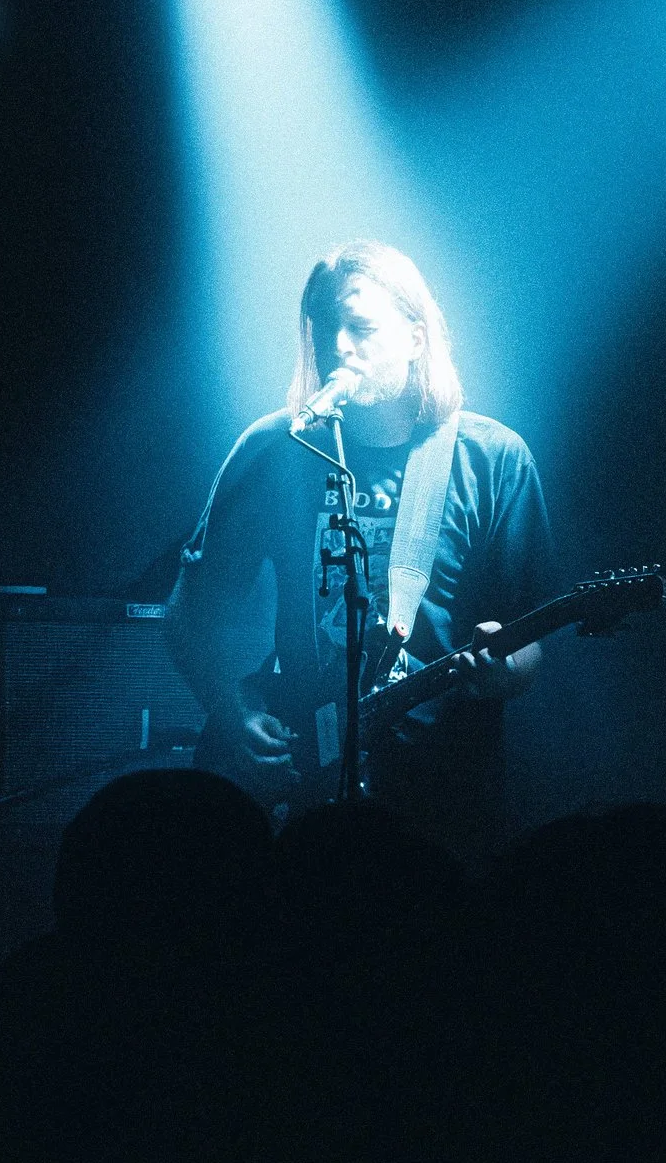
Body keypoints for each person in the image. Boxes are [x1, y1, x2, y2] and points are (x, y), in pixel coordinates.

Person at [163, 240, 554, 858]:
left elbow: (531, 635)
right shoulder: (275, 448)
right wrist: (232, 709)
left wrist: (505, 673)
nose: (337, 347)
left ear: (417, 338)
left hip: (438, 787)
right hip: (297, 766)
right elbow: (191, 607)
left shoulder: (494, 459)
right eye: (323, 329)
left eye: (361, 328)